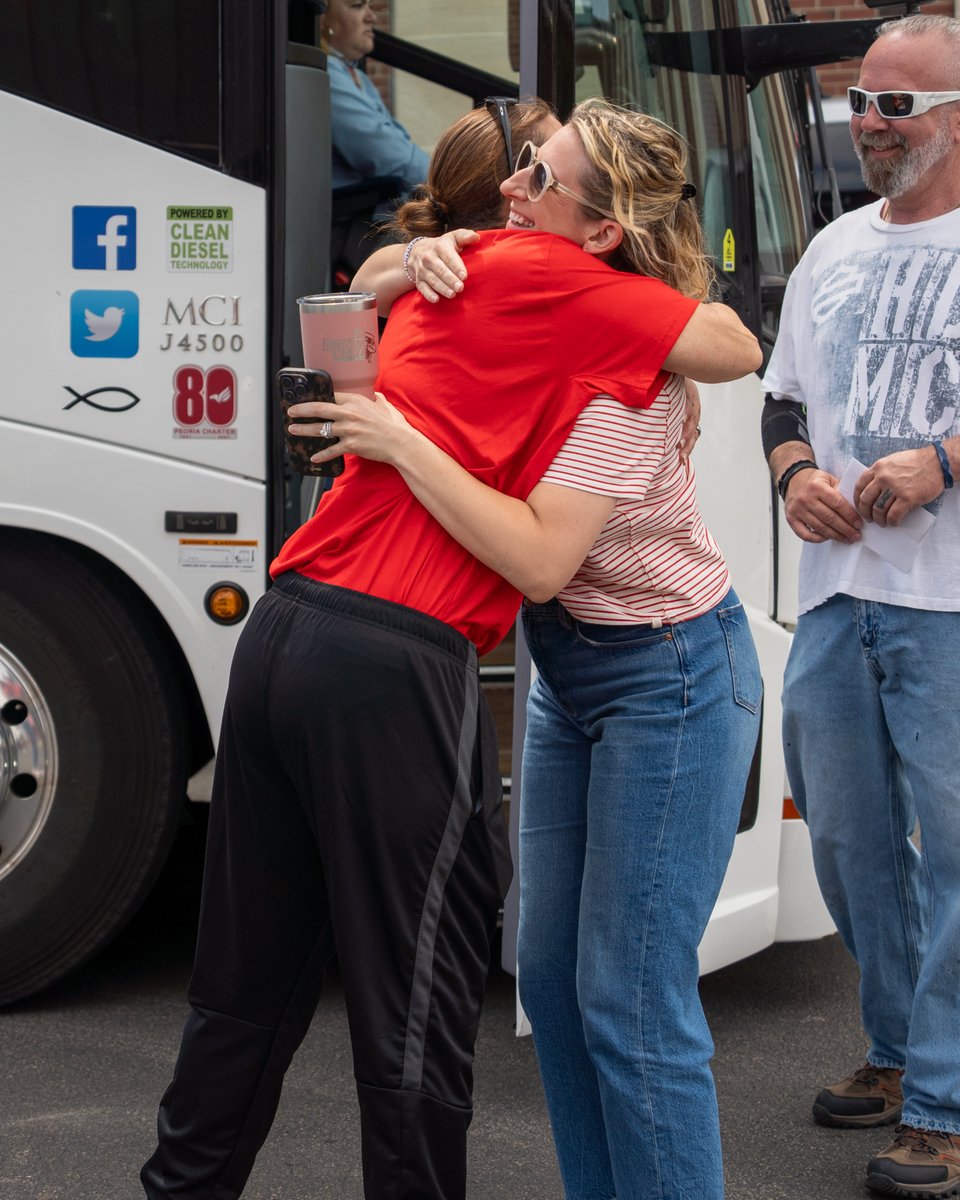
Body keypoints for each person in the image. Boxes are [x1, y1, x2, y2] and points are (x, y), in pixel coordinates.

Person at [307, 98, 764, 1200]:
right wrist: (406, 259)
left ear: (602, 234)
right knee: (552, 987)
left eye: (537, 178)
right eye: (518, 164)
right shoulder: (526, 300)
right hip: (573, 671)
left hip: (672, 675)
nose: (510, 187)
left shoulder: (629, 359)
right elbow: (358, 290)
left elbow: (541, 561)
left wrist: (404, 443)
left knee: (631, 997)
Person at [761, 14, 960, 1198]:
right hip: (839, 597)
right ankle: (897, 1050)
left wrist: (944, 458)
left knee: (956, 862)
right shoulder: (834, 247)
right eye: (861, 107)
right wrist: (793, 477)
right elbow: (782, 403)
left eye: (898, 107)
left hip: (948, 605)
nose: (871, 127)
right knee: (847, 847)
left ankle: (942, 1099)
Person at [323, 0, 428, 194]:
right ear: (322, 18)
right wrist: (449, 181)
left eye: (369, 6)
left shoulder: (357, 75)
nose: (371, 17)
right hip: (351, 217)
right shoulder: (326, 75)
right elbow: (389, 158)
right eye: (357, 6)